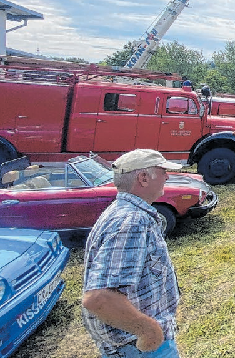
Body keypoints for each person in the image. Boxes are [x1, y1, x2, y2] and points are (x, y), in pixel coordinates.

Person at [82, 149, 183, 358]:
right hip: (138, 348)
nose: (167, 176)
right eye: (162, 171)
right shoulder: (131, 221)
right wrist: (149, 331)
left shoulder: (124, 212)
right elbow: (99, 298)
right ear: (143, 178)